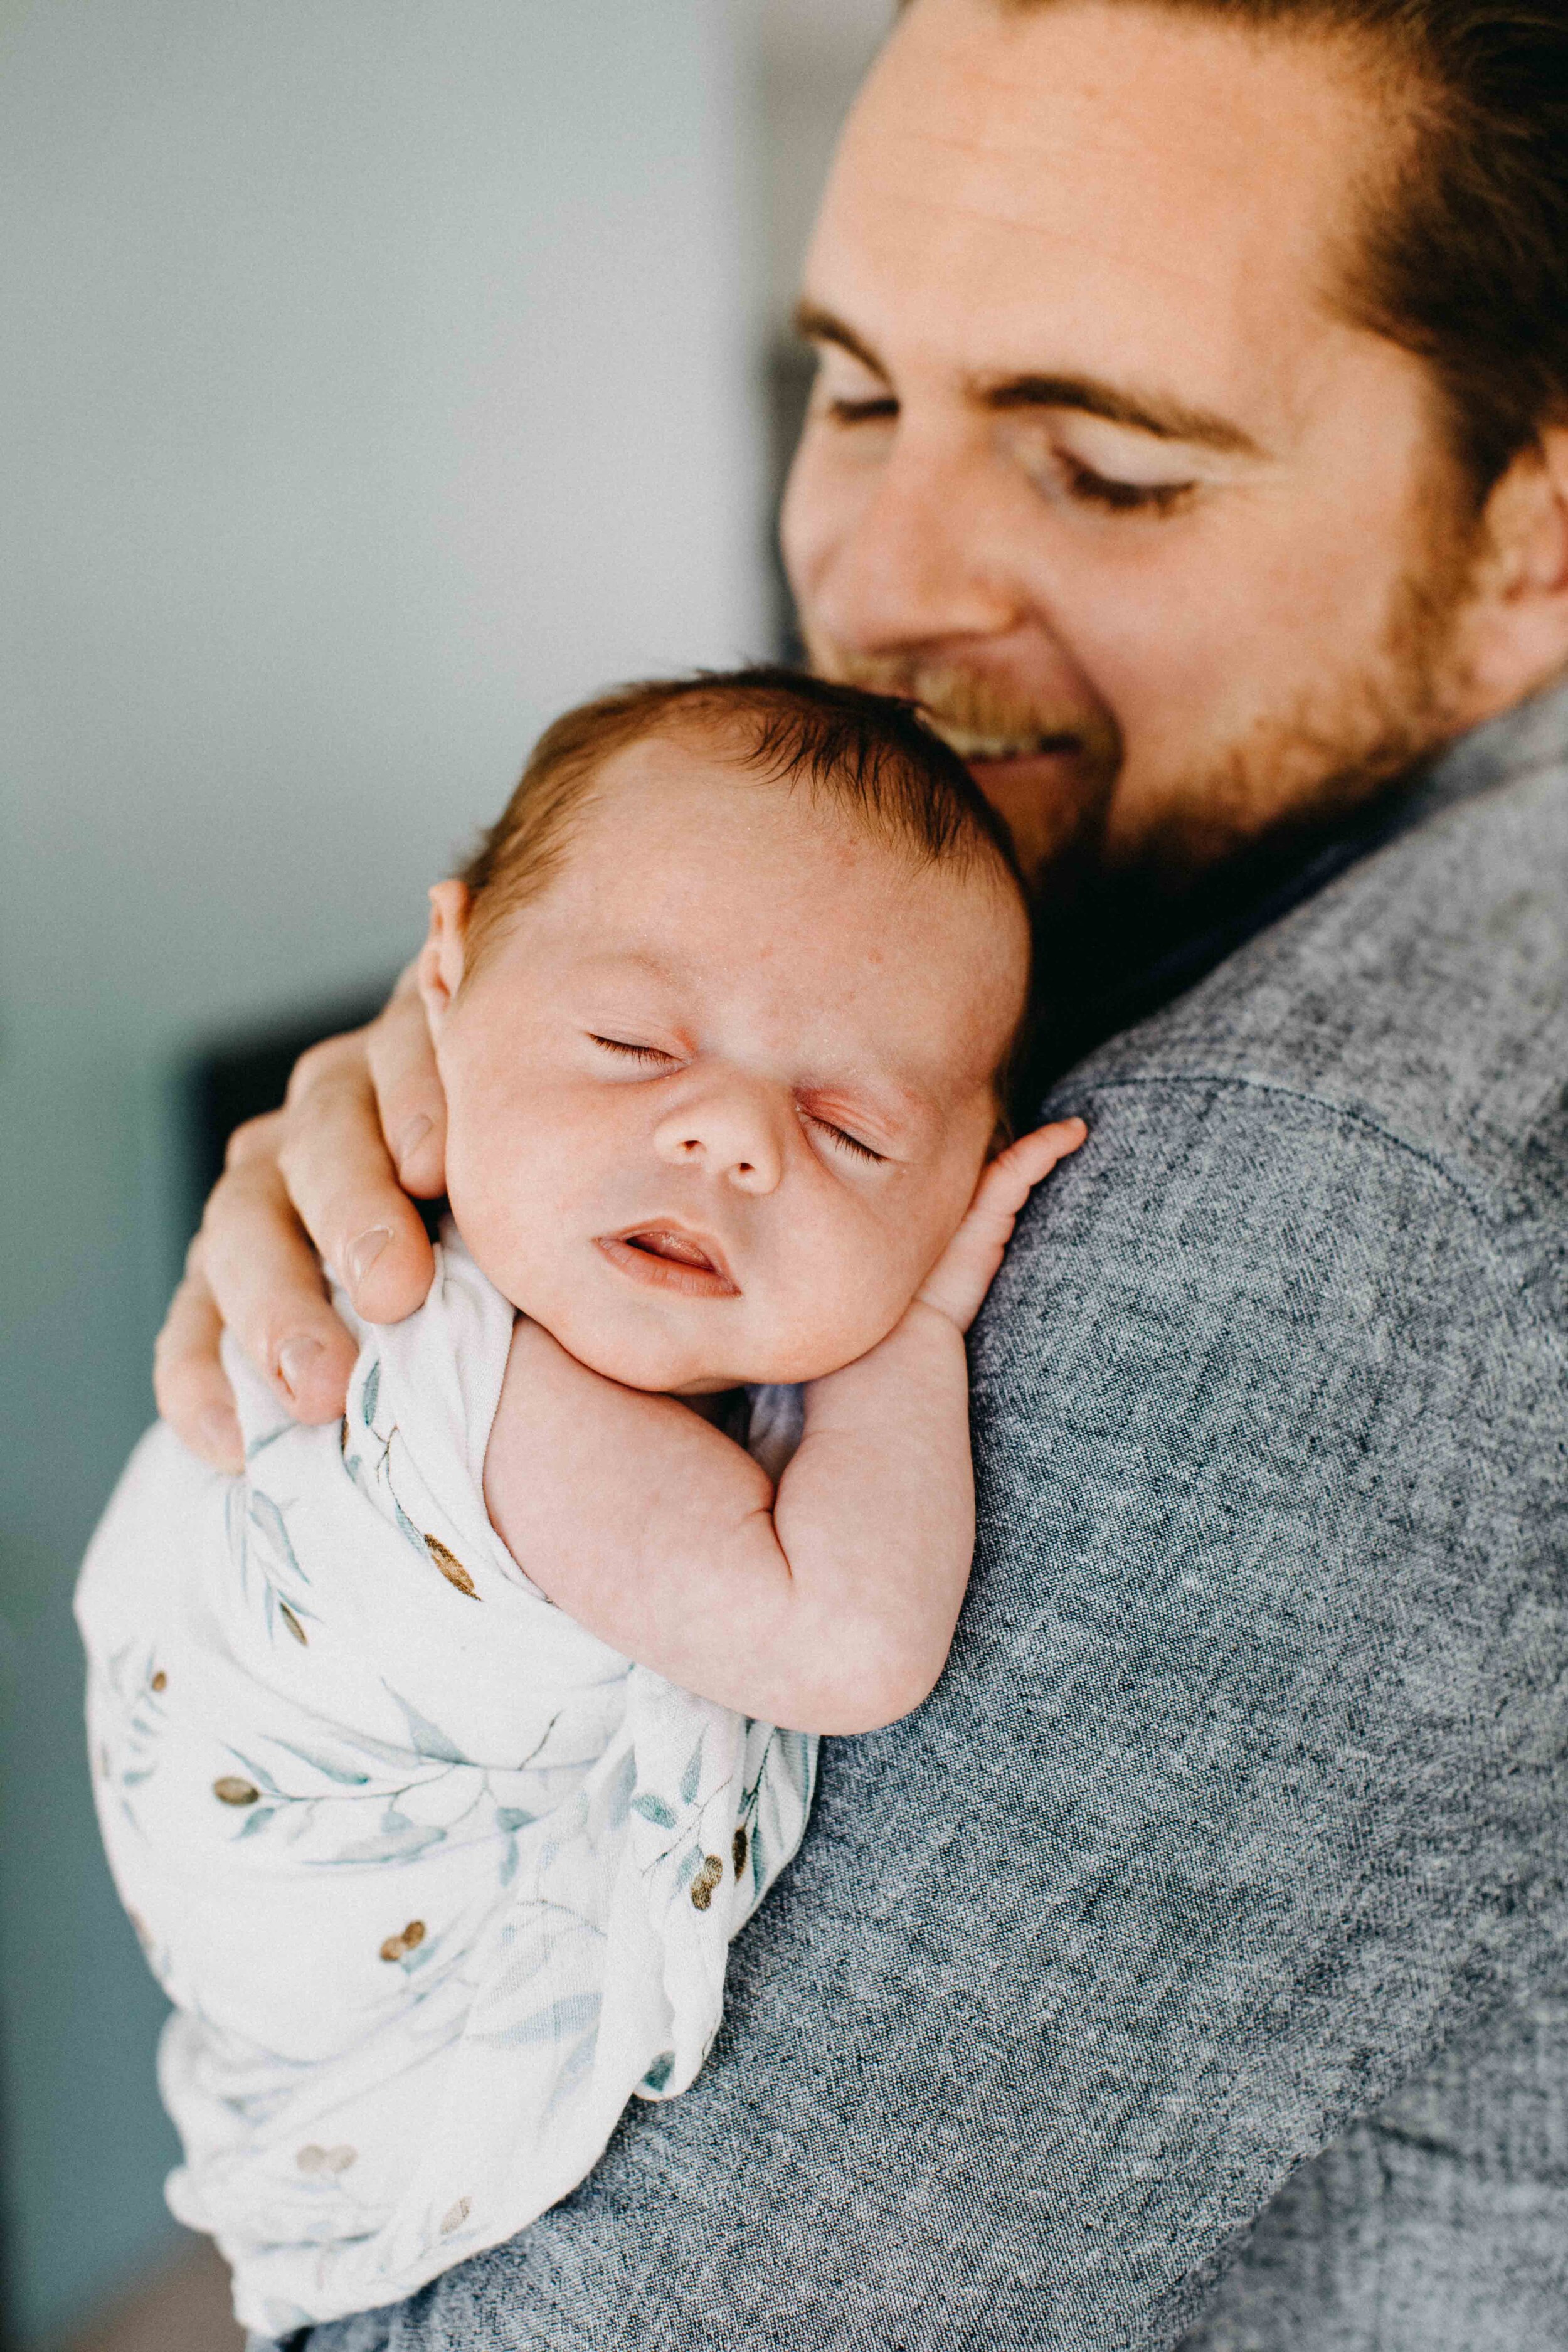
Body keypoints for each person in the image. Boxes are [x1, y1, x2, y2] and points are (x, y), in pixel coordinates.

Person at [152, 0, 1568, 2344]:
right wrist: (509, 1152)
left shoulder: (1318, 1205)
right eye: (850, 390)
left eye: (1106, 467)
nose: (883, 582)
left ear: (1525, 537)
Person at [80, 670, 1082, 2337]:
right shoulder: (481, 1401)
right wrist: (904, 1340)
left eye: (848, 1128)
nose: (725, 1136)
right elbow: (842, 1641)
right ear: (441, 989)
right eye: (630, 1046)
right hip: (361, 2032)